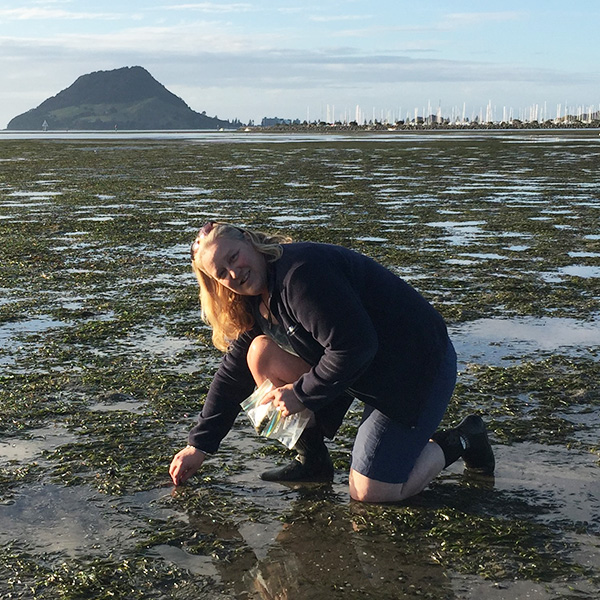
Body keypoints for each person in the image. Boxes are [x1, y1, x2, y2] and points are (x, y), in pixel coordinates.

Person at [169, 221, 494, 503]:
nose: (234, 273)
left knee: (371, 493)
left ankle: (465, 438)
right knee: (259, 354)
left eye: (233, 257)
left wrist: (301, 394)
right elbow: (232, 373)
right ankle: (313, 461)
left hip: (415, 369)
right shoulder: (258, 297)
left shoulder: (300, 276)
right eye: (222, 273)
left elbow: (355, 347)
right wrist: (199, 445)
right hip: (361, 371)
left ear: (249, 241)